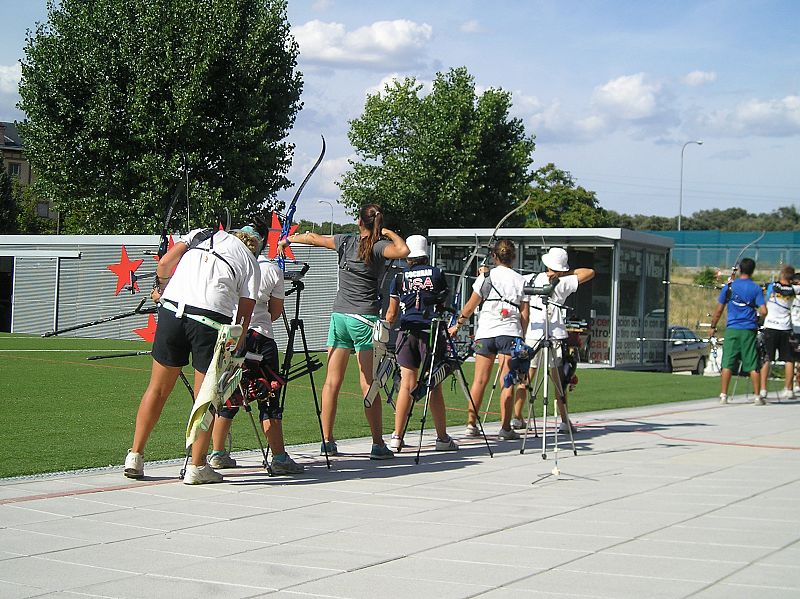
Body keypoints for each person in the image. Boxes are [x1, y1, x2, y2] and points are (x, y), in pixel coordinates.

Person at [124, 225, 261, 484]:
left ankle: (136, 455)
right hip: (210, 320)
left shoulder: (202, 234)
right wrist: (236, 345)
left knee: (157, 388)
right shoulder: (249, 261)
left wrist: (162, 292)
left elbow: (164, 265)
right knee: (205, 397)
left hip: (172, 311)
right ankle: (197, 466)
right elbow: (245, 309)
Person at [277, 204, 409, 459]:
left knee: (331, 381)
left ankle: (327, 440)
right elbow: (403, 250)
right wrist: (387, 232)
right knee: (368, 382)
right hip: (364, 318)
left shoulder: (345, 241)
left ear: (359, 221)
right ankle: (377, 443)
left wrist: (289, 239)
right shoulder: (380, 246)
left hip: (340, 316)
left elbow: (314, 238)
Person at [209, 243, 304, 475]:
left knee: (228, 395)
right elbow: (275, 310)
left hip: (230, 336)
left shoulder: (228, 265)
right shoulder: (271, 269)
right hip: (260, 336)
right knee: (267, 394)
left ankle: (218, 454)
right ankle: (279, 458)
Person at [448, 239, 528, 440]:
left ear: (494, 256)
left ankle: (471, 424)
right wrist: (523, 335)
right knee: (507, 380)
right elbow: (524, 313)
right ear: (513, 256)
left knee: (480, 380)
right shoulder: (520, 280)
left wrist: (457, 325)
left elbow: (470, 305)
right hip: (509, 332)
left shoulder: (486, 277)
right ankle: (505, 427)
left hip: (485, 332)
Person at [384, 234, 458, 453]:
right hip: (431, 332)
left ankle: (397, 437)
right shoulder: (437, 273)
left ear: (408, 256)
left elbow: (391, 313)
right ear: (426, 253)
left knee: (406, 384)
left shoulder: (399, 278)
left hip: (406, 332)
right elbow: (442, 302)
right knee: (433, 384)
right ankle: (442, 438)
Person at [513, 247, 595, 433]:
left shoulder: (531, 278)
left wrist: (560, 272)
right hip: (554, 335)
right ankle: (565, 421)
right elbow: (589, 272)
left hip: (532, 333)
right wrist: (564, 273)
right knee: (558, 380)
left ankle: (517, 417)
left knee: (525, 377)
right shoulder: (563, 282)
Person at [710, 257, 767, 405]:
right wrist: (758, 319)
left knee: (728, 362)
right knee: (752, 362)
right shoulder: (755, 288)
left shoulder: (729, 287)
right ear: (752, 271)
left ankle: (723, 395)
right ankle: (757, 396)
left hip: (732, 329)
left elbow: (719, 310)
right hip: (748, 329)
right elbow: (763, 310)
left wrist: (713, 326)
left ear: (740, 269)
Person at [759, 265, 796, 400]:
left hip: (771, 326)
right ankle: (789, 389)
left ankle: (763, 389)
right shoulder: (791, 291)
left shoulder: (773, 287)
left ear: (782, 275)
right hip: (785, 327)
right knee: (788, 359)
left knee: (767, 357)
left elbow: (765, 296)